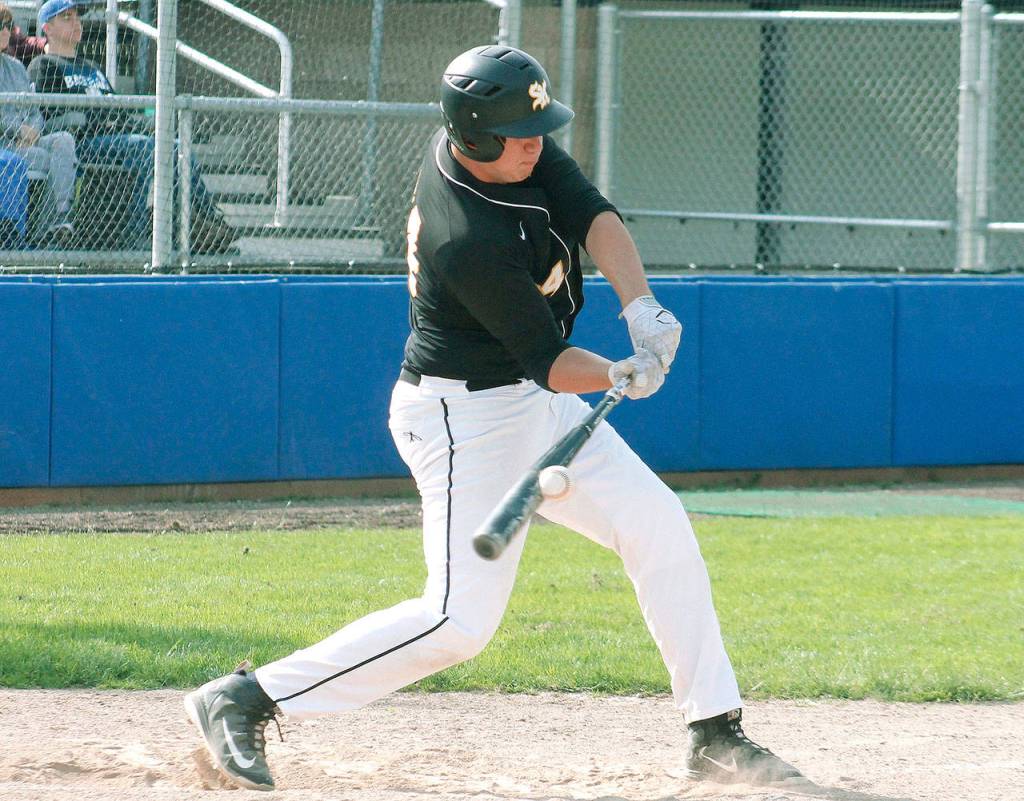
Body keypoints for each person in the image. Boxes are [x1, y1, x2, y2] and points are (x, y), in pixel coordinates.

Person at [183, 45, 805, 792]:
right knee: (457, 621)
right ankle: (247, 696)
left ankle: (713, 731)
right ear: (473, 137)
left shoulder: (514, 149)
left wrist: (641, 305)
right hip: (462, 418)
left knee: (658, 523)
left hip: (532, 401)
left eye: (537, 127)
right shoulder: (463, 236)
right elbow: (548, 359)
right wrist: (615, 372)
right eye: (519, 133)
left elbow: (593, 214)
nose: (537, 143)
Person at [27, 0, 235, 253]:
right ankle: (133, 235)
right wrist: (94, 120)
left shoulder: (92, 67)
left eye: (77, 17)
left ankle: (204, 220)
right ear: (47, 28)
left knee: (177, 147)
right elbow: (46, 115)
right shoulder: (43, 66)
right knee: (144, 150)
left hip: (117, 140)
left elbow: (119, 112)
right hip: (79, 145)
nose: (77, 22)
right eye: (67, 18)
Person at [0, 3, 75, 243]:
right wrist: (16, 129)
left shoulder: (16, 67)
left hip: (28, 139)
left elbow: (34, 110)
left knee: (63, 141)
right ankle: (35, 231)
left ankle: (57, 221)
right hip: (5, 142)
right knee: (43, 158)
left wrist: (34, 128)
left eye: (8, 25)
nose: (4, 31)